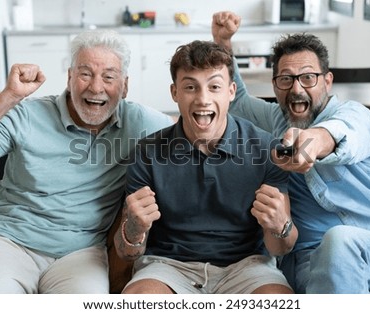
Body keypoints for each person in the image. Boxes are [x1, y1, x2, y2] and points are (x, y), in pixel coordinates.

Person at [212, 11, 370, 293]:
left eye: (308, 77)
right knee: (328, 253)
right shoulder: (276, 119)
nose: (297, 89)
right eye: (286, 79)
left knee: (340, 241)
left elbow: (338, 134)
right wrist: (223, 42)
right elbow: (239, 104)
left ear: (327, 81)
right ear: (275, 85)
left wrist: (311, 143)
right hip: (311, 264)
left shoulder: (355, 114)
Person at [0, 29, 173, 293]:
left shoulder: (141, 122)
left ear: (125, 87)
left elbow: (195, 131)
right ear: (70, 78)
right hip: (8, 240)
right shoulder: (28, 114)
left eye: (109, 77)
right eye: (85, 74)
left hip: (80, 253)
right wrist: (9, 96)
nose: (96, 87)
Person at [114, 40, 297, 294]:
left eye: (214, 87)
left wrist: (281, 226)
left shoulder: (267, 150)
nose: (203, 99)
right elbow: (126, 253)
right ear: (175, 92)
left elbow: (280, 247)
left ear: (231, 91)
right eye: (190, 87)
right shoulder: (146, 153)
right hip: (168, 268)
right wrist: (133, 229)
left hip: (247, 267)